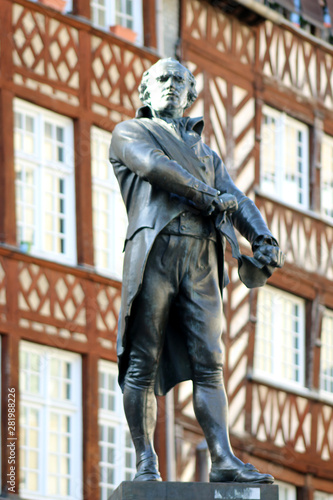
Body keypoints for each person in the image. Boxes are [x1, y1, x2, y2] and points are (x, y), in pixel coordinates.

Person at [109, 58, 284, 483]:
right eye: (162, 79)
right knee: (142, 361)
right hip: (156, 251)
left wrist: (262, 236)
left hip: (204, 258)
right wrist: (207, 196)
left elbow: (236, 197)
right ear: (146, 92)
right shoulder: (131, 132)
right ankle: (145, 461)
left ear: (190, 95)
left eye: (180, 81)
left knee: (211, 361)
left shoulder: (206, 153)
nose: (171, 86)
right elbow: (153, 167)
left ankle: (222, 458)